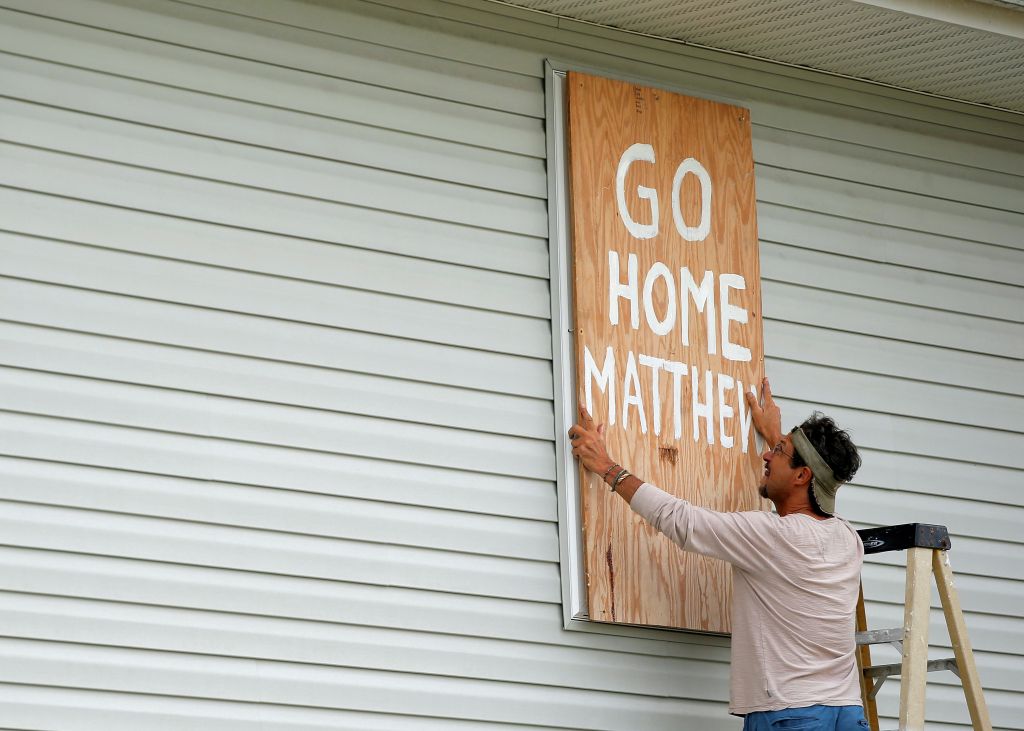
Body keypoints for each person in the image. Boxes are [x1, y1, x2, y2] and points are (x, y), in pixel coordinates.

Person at [568, 377, 868, 731]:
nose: (766, 454)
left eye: (779, 452)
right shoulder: (849, 538)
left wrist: (606, 466)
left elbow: (681, 521)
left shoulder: (772, 536)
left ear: (802, 475)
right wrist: (779, 440)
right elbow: (808, 488)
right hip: (847, 713)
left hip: (791, 714)